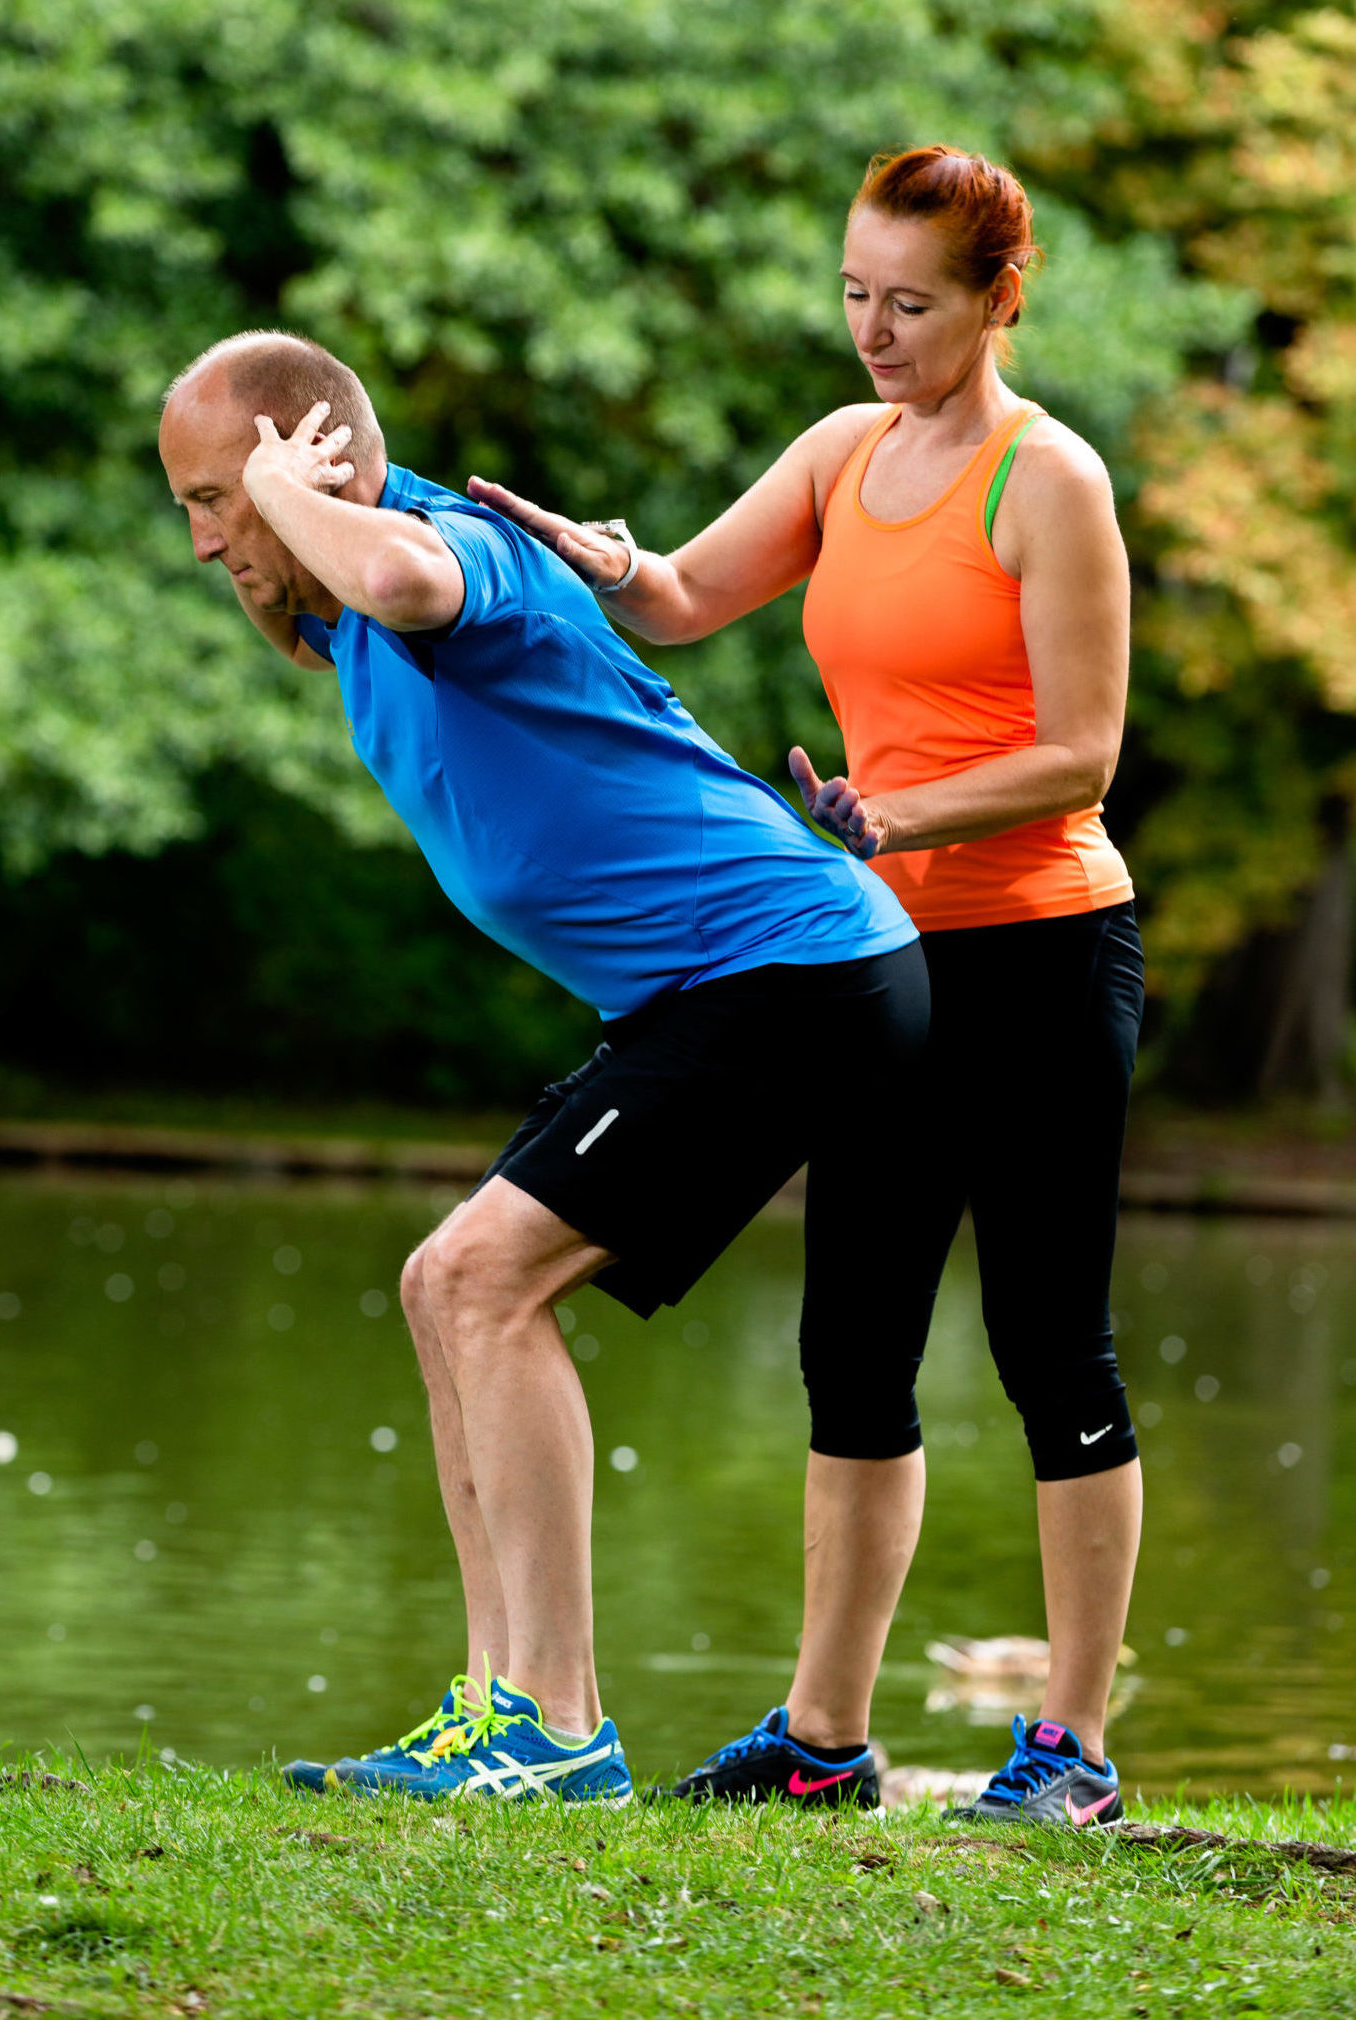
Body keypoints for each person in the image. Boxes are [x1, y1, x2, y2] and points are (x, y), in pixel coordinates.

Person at [158, 329, 927, 1805]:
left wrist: (284, 490)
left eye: (214, 496)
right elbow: (337, 602)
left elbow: (394, 572)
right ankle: (497, 1706)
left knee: (475, 1282)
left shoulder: (453, 548)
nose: (204, 541)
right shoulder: (348, 620)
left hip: (793, 967)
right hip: (727, 985)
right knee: (439, 1289)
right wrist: (275, 530)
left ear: (304, 455)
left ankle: (557, 1730)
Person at [469, 145, 1144, 1827]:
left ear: (997, 300)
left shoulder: (1046, 481)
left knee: (1050, 1341)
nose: (873, 332)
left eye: (909, 304)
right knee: (855, 1342)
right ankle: (823, 1739)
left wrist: (891, 809)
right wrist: (594, 560)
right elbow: (693, 596)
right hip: (891, 962)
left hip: (1047, 948)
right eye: (854, 294)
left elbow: (1083, 753)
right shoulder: (845, 456)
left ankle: (1071, 1750)